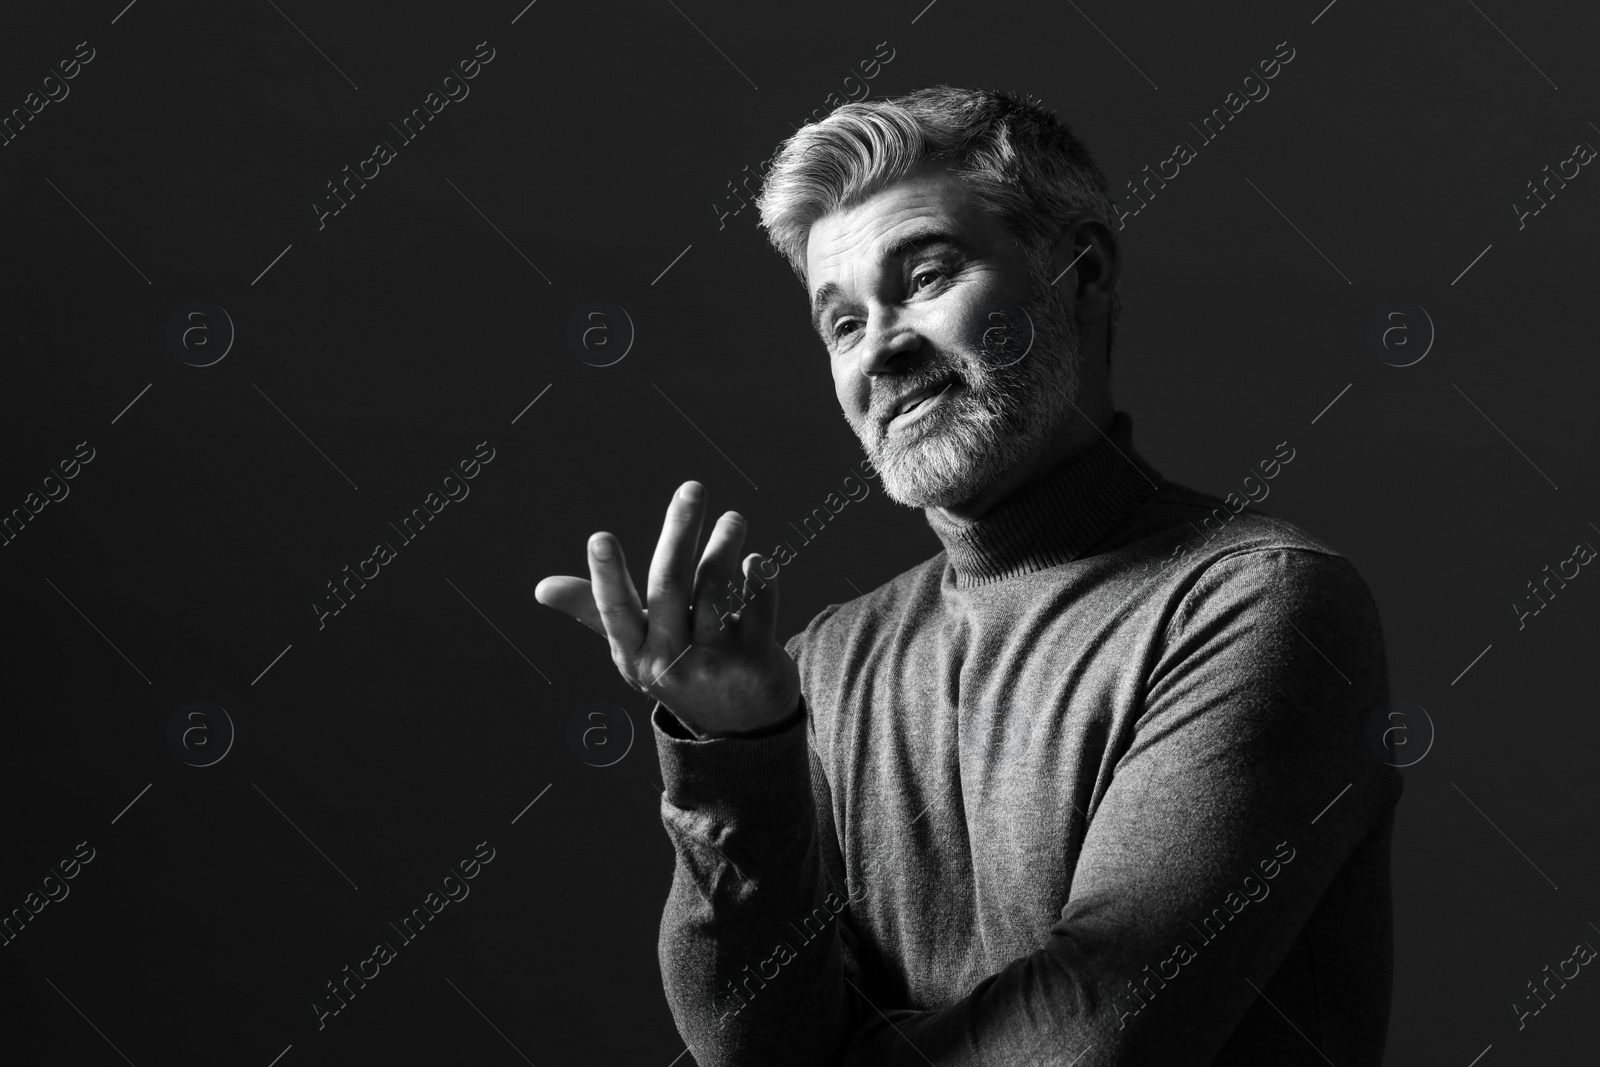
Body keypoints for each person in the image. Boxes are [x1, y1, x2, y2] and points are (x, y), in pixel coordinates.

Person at [535, 85, 1402, 1066]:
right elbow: (749, 1042)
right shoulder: (822, 662)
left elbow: (1090, 1037)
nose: (885, 348)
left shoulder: (1255, 602)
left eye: (927, 274)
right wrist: (734, 753)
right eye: (842, 324)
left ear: (1080, 271)